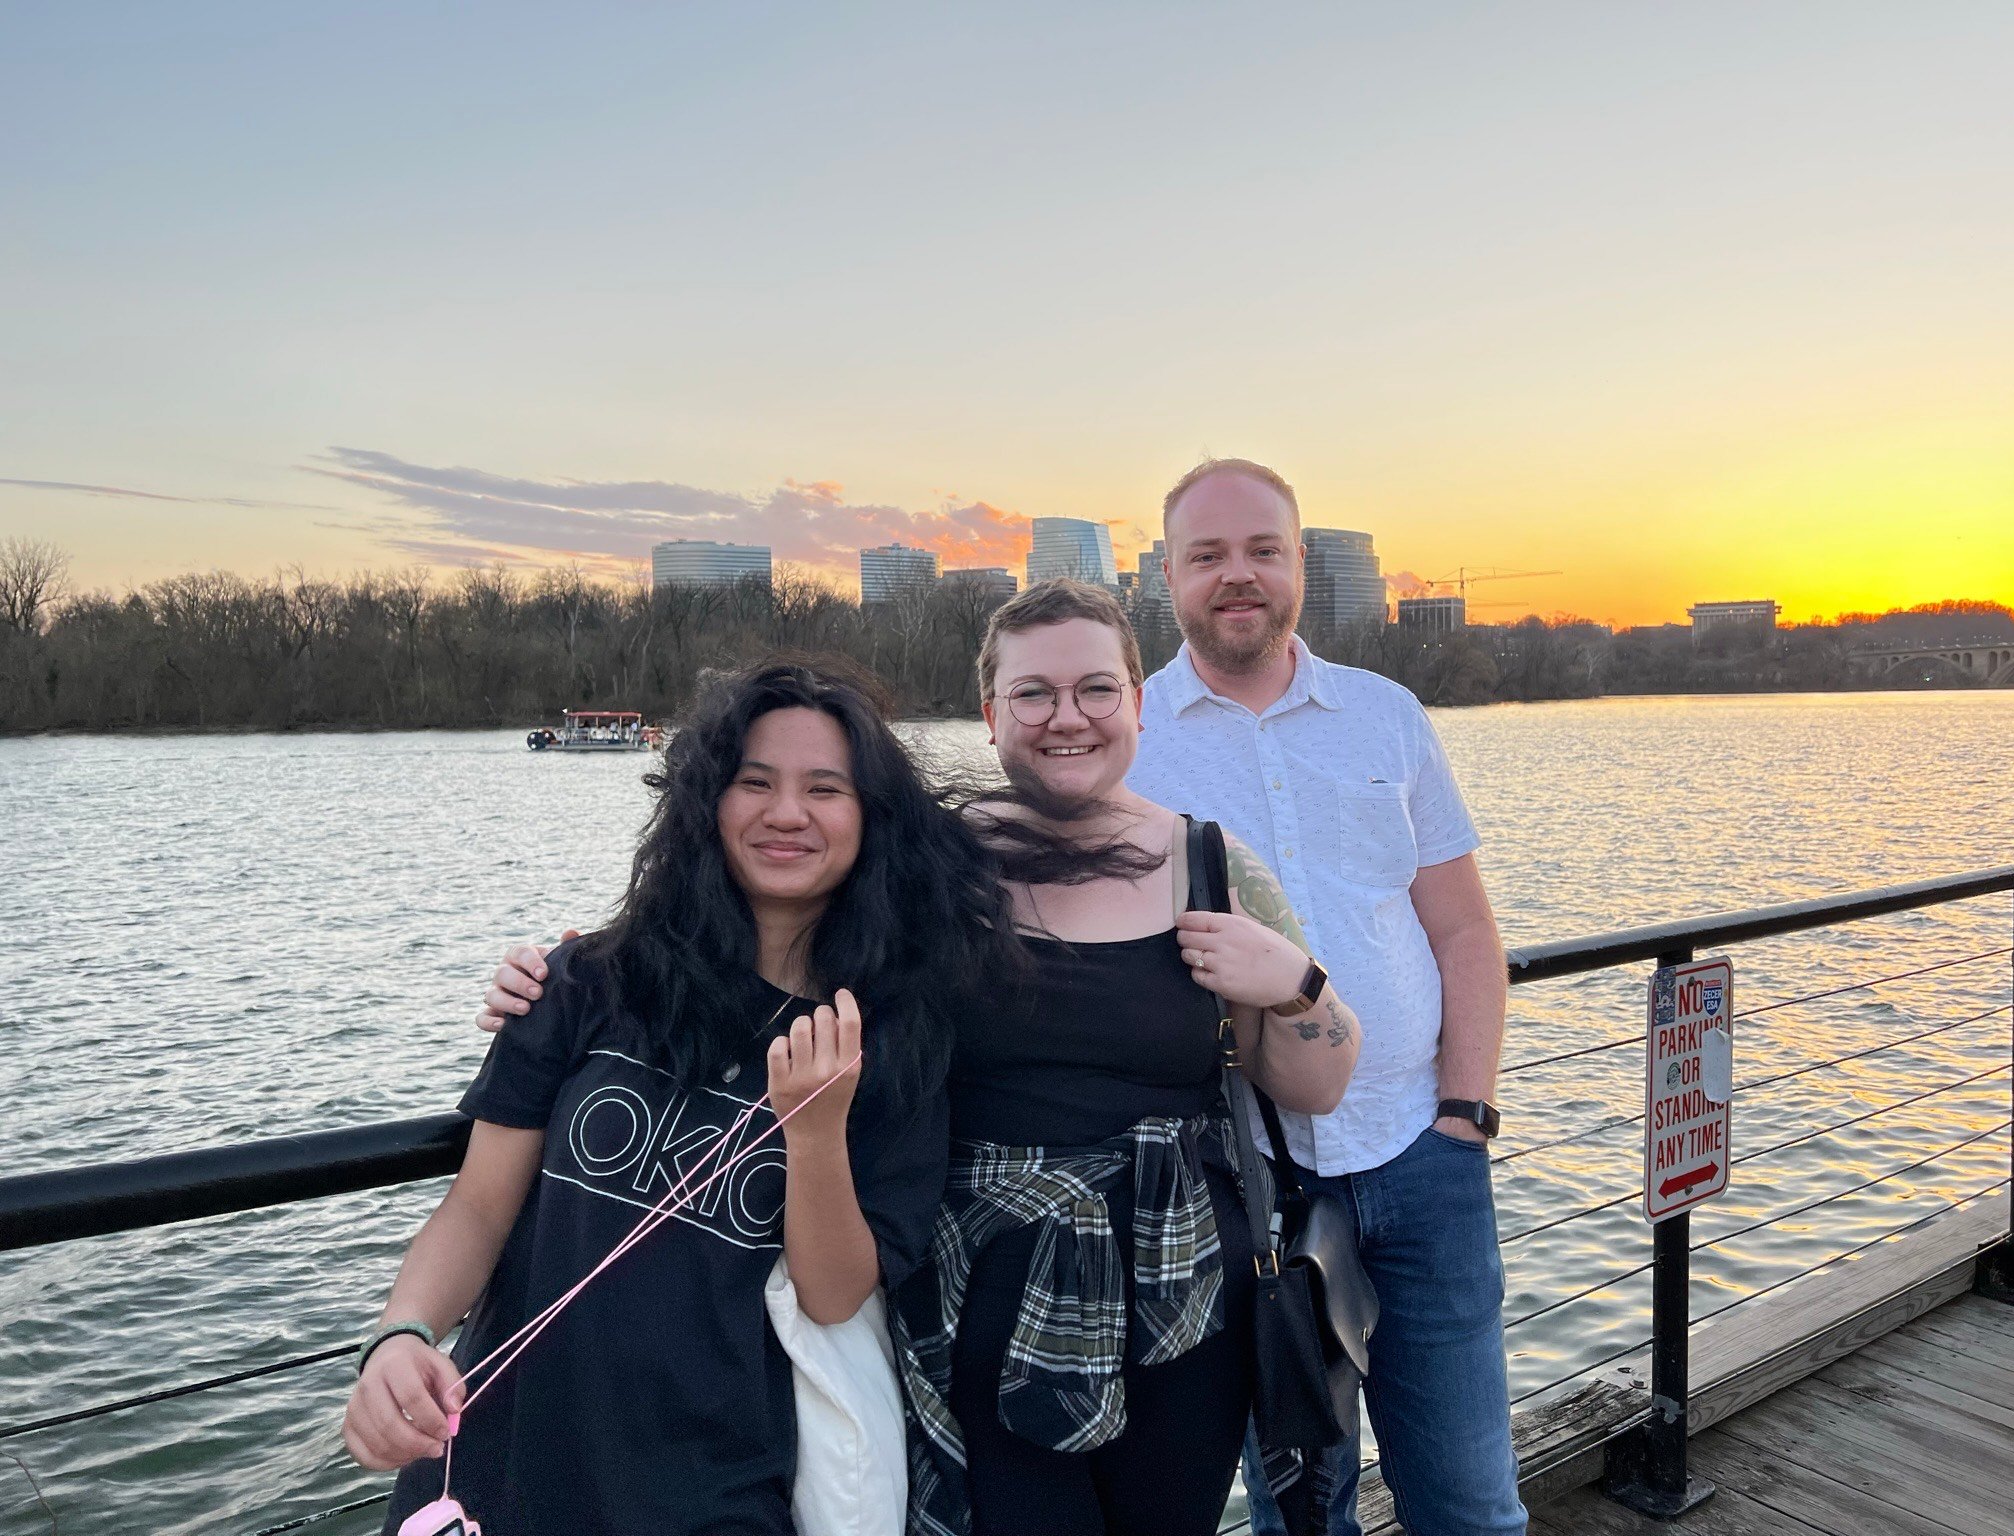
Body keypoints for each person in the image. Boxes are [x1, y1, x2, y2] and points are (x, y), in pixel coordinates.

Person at [479, 583, 1362, 1536]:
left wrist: (1296, 982)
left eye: (1097, 689)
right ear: (991, 717)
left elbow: (1315, 1086)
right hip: (977, 1294)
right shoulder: (926, 863)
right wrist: (577, 972)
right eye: (1032, 693)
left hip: (1185, 1296)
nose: (1067, 717)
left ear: (1139, 704)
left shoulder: (1213, 867)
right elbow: (758, 930)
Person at [347, 661, 1013, 1536]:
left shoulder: (891, 1038)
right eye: (755, 783)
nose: (786, 814)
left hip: (715, 1488)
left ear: (870, 819)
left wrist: (815, 1135)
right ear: (709, 804)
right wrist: (401, 1335)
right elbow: (476, 1206)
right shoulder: (588, 980)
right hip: (495, 1465)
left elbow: (833, 1292)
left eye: (825, 789)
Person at [1131, 459, 1524, 1536]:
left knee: (1471, 1504)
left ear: (1299, 563)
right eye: (1206, 555)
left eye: (1262, 550)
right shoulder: (1128, 739)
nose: (1236, 576)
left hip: (1422, 1158)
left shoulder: (1385, 715)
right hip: (1250, 1183)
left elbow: (1462, 931)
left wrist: (1465, 1115)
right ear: (1165, 574)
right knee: (1300, 1512)